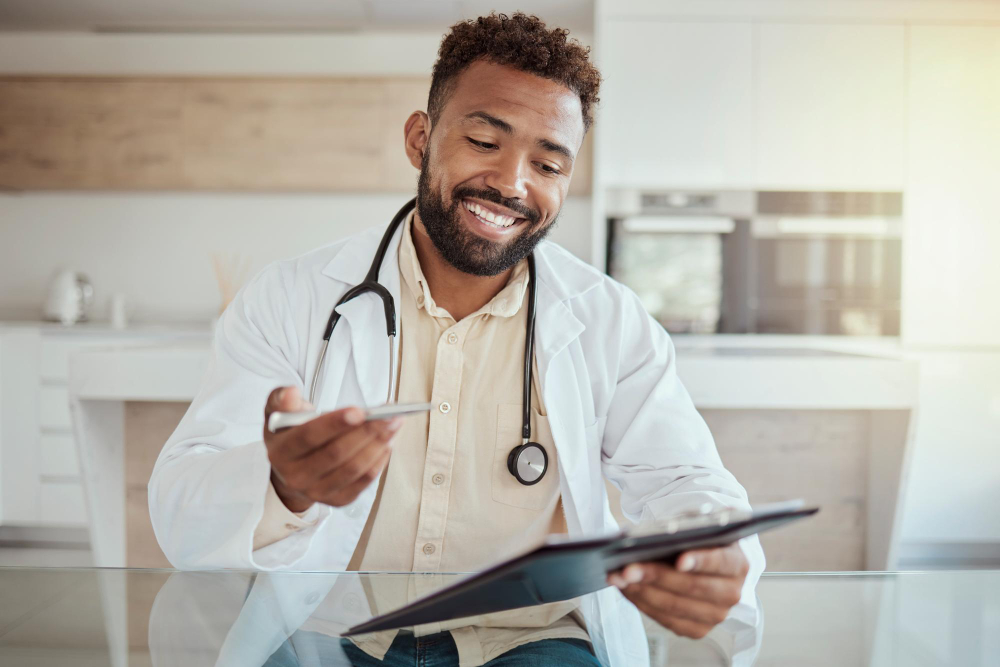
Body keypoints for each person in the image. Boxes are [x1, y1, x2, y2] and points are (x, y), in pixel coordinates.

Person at [149, 12, 764, 667]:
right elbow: (181, 502)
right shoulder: (291, 298)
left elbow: (685, 479)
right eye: (483, 140)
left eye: (548, 163)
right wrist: (283, 484)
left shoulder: (609, 321)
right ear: (420, 139)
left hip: (527, 640)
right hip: (328, 631)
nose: (512, 182)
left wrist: (711, 553)